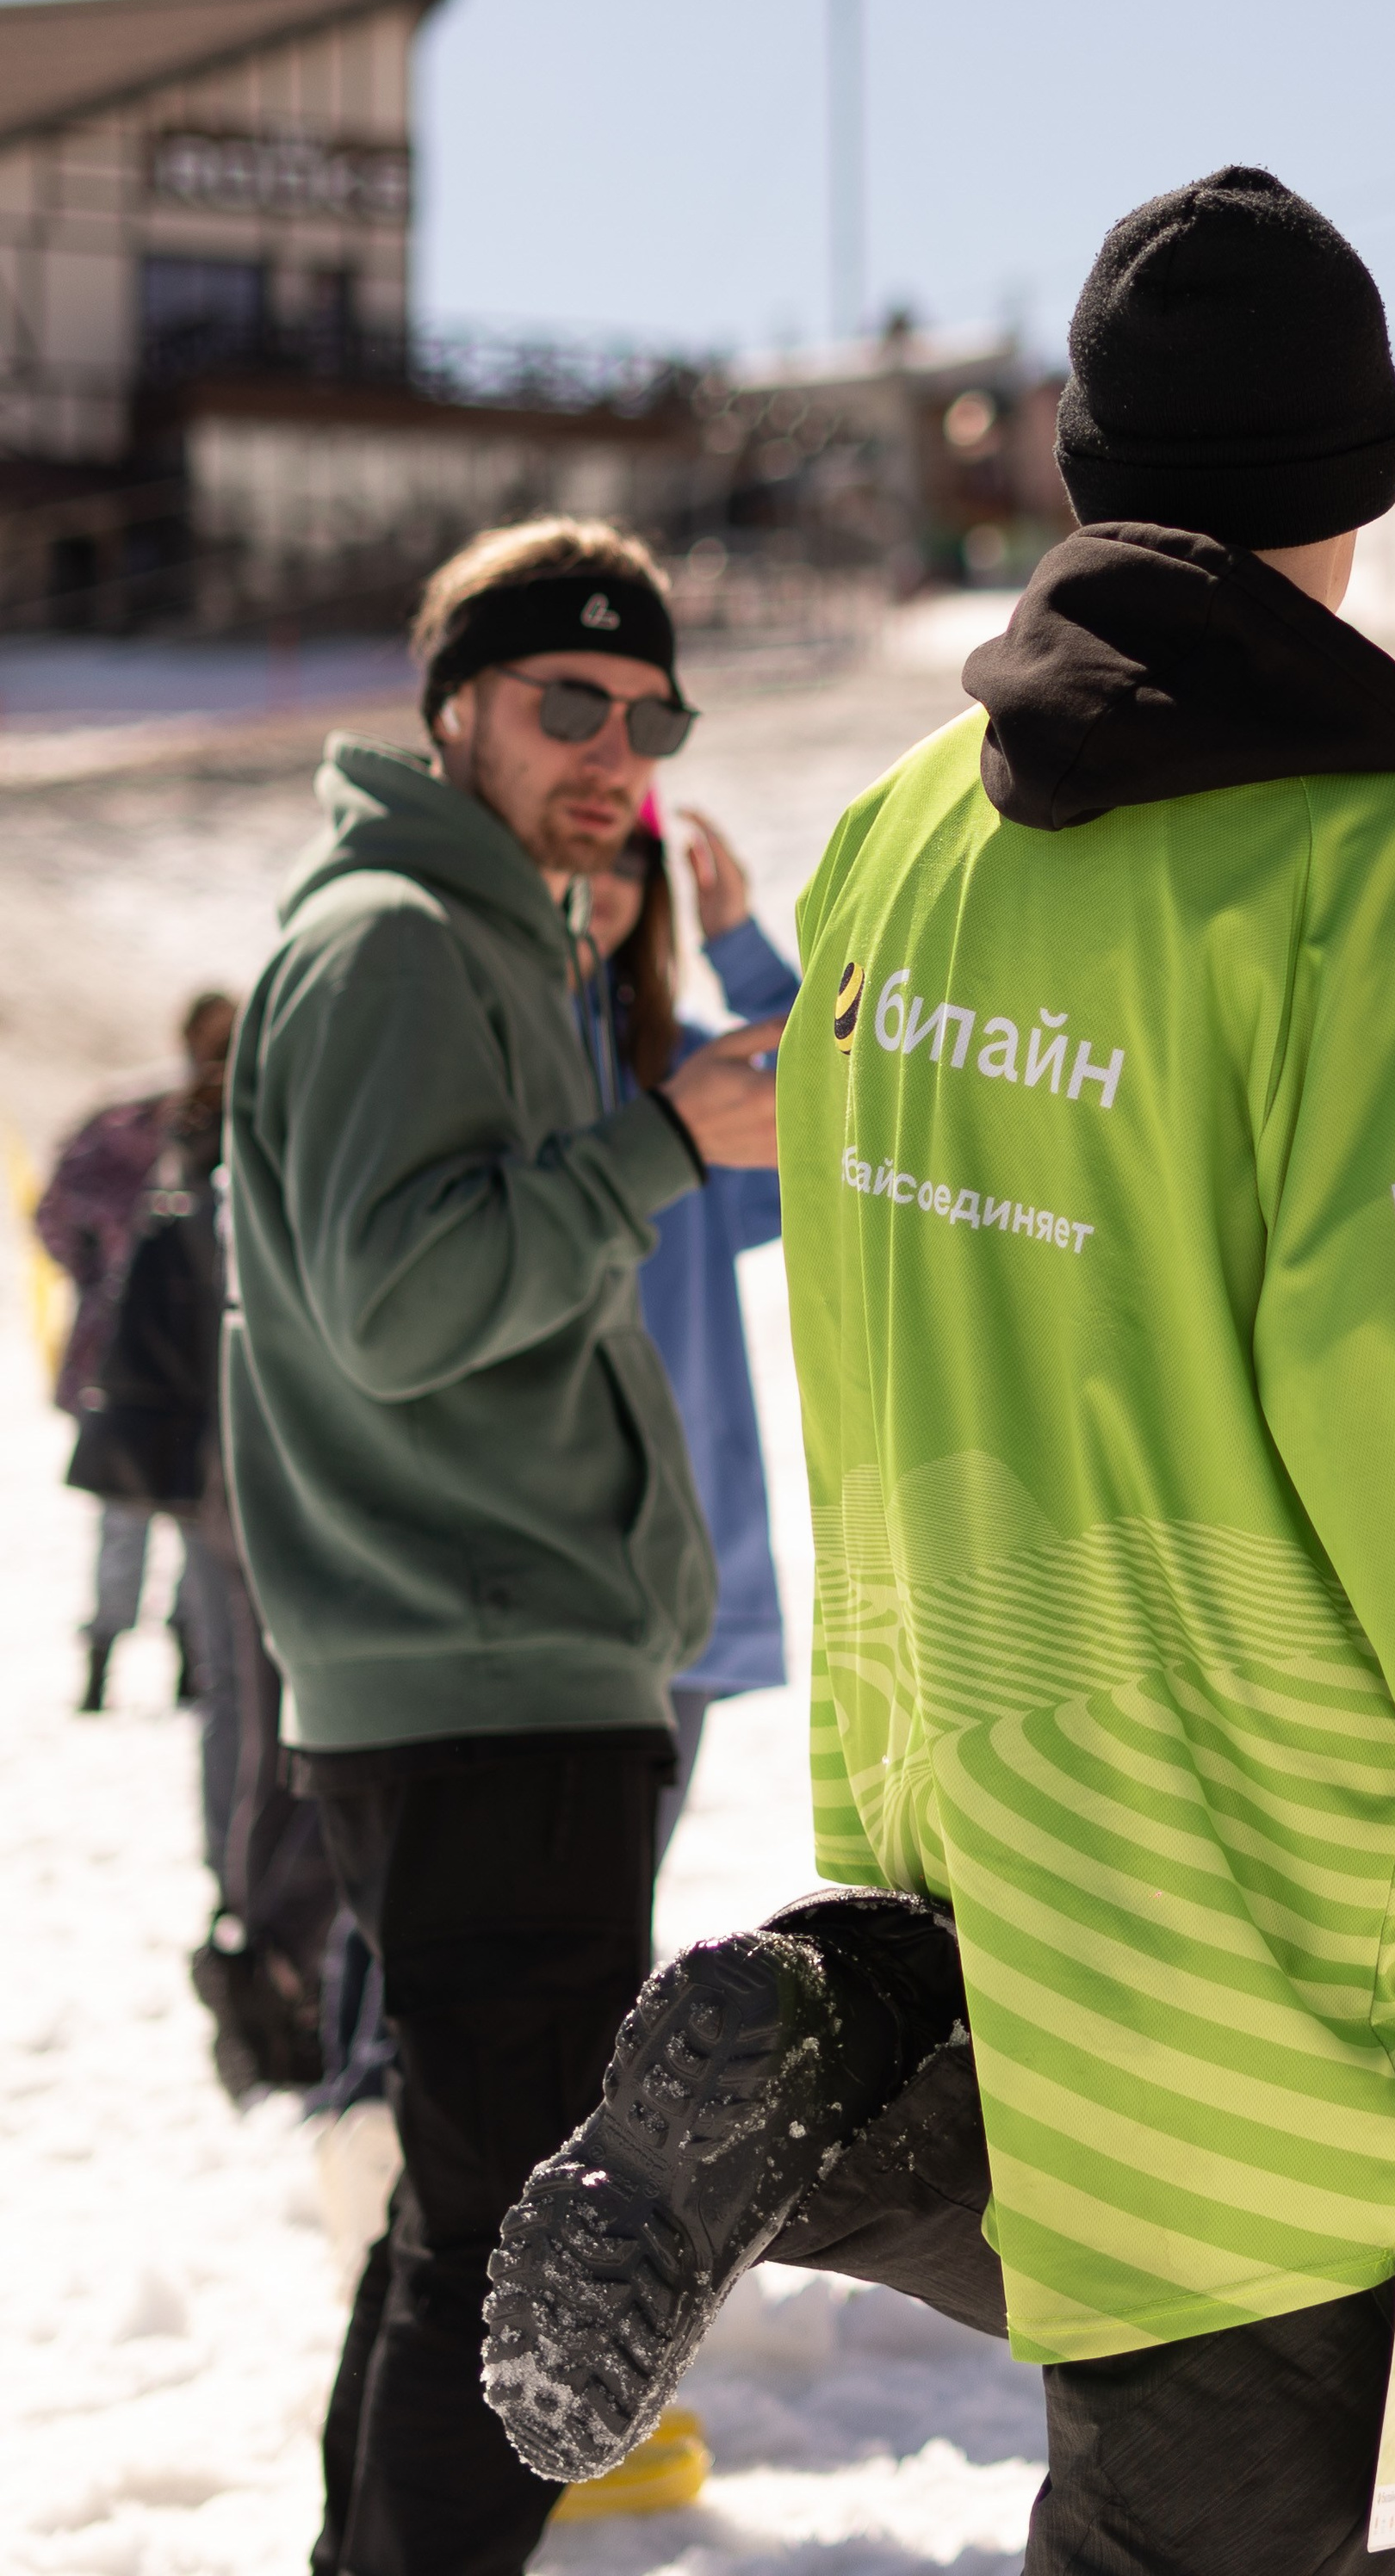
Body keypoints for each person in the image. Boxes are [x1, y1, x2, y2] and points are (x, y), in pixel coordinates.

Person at [487, 170, 1395, 2569]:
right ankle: (862, 2053)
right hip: (1266, 1964)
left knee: (1103, 2347)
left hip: (993, 1857)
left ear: (1081, 469)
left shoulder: (891, 846)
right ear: (1363, 488)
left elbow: (864, 1346)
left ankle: (860, 2045)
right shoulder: (1363, 880)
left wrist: (888, 1883)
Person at [221, 513, 780, 2576]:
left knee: (466, 2229)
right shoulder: (397, 941)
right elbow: (392, 1300)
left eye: (649, 711)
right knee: (505, 2266)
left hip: (510, 1672)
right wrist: (659, 1140)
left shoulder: (499, 936)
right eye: (570, 699)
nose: (613, 745)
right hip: (479, 1680)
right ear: (453, 701)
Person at [573, 795, 797, 1855]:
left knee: (610, 1920)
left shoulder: (687, 1072)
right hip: (529, 1570)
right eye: (576, 849)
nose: (600, 879)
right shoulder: (464, 1058)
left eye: (628, 857)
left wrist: (739, 946)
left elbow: (846, 1108)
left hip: (680, 1559)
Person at [39, 992, 234, 1714]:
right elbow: (57, 1220)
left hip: (176, 1359)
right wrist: (109, 1280)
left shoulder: (186, 1123)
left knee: (176, 1516)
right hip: (141, 1358)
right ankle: (116, 1656)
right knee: (139, 1514)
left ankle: (185, 1655)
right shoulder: (137, 1124)